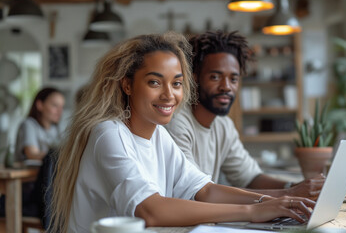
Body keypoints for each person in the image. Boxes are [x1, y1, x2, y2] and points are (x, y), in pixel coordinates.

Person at [49, 32, 315, 233]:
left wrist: (283, 199)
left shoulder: (158, 135)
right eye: (154, 82)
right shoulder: (109, 134)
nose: (169, 94)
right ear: (127, 85)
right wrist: (253, 210)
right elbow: (150, 211)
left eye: (176, 83)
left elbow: (205, 190)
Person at [165, 30, 324, 199]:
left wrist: (297, 187)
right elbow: (200, 192)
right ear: (194, 78)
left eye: (233, 79)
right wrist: (288, 194)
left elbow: (250, 177)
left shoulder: (223, 125)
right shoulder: (177, 122)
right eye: (215, 77)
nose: (226, 87)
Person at [15, 87, 65, 163]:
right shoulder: (28, 124)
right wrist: (64, 155)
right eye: (55, 105)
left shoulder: (55, 129)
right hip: (29, 173)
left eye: (62, 107)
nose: (60, 111)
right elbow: (32, 154)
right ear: (40, 105)